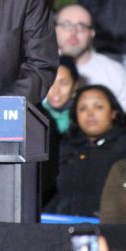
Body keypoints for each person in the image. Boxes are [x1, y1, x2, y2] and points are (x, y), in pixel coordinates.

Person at [47, 85, 126, 217]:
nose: (90, 114)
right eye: (82, 108)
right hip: (63, 227)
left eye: (98, 107)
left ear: (114, 112)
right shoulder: (65, 148)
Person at [55, 4, 126, 111]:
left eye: (81, 26)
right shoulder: (36, 67)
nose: (73, 32)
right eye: (66, 25)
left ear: (92, 33)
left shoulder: (114, 72)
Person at [39, 55, 78, 206]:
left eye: (64, 83)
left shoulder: (83, 117)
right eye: (51, 82)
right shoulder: (35, 117)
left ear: (75, 85)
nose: (56, 90)